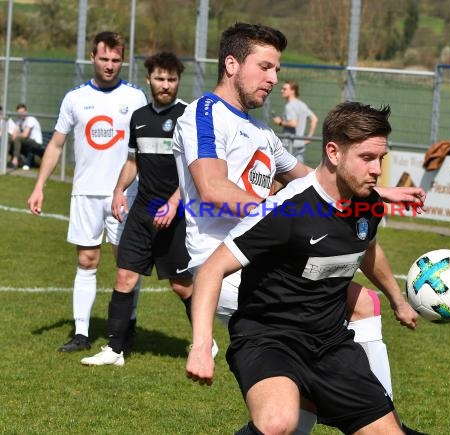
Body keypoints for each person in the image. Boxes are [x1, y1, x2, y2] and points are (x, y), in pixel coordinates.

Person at [174, 22, 423, 434]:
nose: (274, 79)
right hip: (224, 263)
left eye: (276, 70)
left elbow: (318, 177)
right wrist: (291, 217)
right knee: (330, 324)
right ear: (232, 64)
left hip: (279, 253)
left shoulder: (262, 132)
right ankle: (377, 416)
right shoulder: (205, 114)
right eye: (266, 67)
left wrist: (376, 189)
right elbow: (213, 188)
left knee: (334, 333)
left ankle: (373, 415)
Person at [79, 52, 212, 366]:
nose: (165, 85)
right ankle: (115, 350)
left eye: (171, 79)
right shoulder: (138, 117)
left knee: (181, 286)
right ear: (149, 79)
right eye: (159, 78)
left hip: (176, 214)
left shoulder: (188, 117)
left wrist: (174, 202)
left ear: (178, 81)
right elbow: (132, 161)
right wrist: (118, 190)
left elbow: (196, 170)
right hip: (142, 212)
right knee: (124, 276)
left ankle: (204, 342)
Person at [27, 31, 148, 352]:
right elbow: (55, 144)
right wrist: (40, 186)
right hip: (85, 193)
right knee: (86, 260)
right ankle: (81, 334)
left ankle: (127, 326)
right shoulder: (75, 98)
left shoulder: (135, 98)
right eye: (104, 58)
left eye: (115, 59)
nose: (109, 65)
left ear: (122, 60)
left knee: (126, 265)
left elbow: (144, 146)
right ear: (92, 58)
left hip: (125, 194)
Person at [272, 80, 318, 163]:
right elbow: (314, 119)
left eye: (285, 89)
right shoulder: (302, 104)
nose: (281, 91)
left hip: (289, 145)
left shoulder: (289, 106)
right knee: (299, 173)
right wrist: (309, 138)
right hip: (300, 145)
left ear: (293, 90)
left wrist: (280, 122)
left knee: (285, 174)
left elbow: (293, 123)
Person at [8, 103, 43, 170]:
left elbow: (25, 135)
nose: (21, 114)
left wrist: (16, 136)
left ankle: (15, 162)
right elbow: (13, 134)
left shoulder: (31, 119)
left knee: (17, 139)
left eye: (22, 112)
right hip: (27, 142)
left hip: (36, 143)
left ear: (26, 111)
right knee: (10, 139)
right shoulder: (20, 121)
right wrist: (14, 136)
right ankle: (7, 160)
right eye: (19, 113)